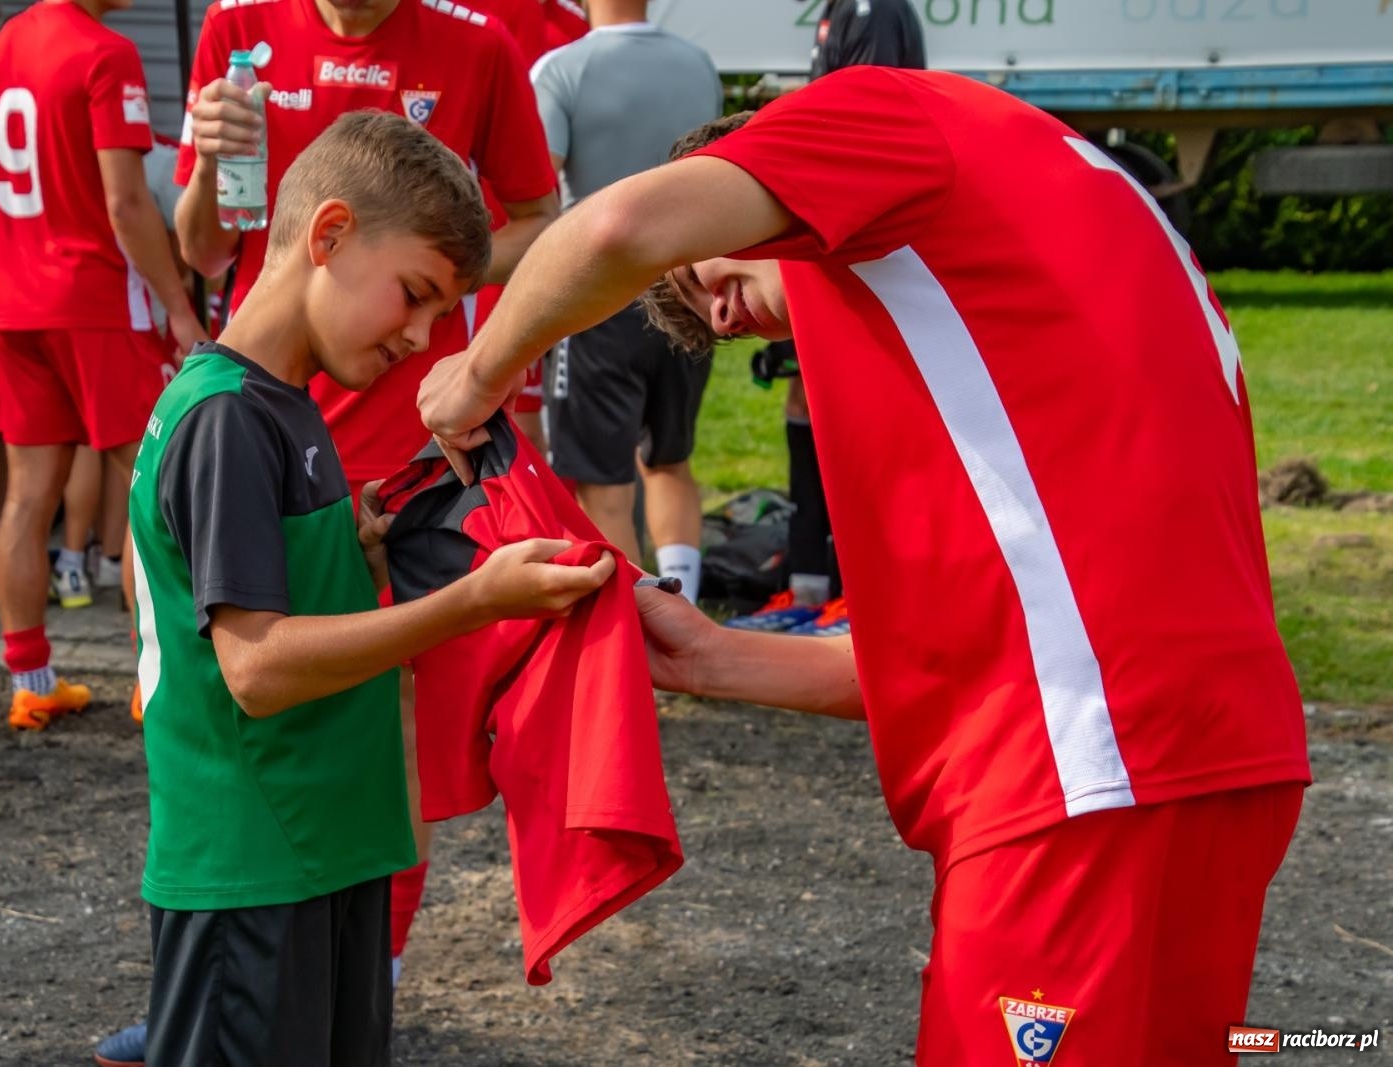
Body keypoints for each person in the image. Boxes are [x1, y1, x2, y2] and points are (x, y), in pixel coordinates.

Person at [419, 68, 1313, 1064]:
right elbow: (983, 651)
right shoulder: (1042, 237)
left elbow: (614, 227)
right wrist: (711, 655)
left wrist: (479, 372)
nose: (713, 315)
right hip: (1216, 747)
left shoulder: (879, 113)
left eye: (700, 280)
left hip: (1085, 776)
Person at [129, 110, 614, 1067]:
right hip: (253, 872)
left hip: (320, 854)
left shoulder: (282, 403)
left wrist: (366, 559)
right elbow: (256, 668)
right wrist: (470, 602)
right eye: (416, 296)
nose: (425, 336)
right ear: (331, 234)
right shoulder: (228, 418)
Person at [175, 0, 559, 995]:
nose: (429, 325)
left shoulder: (477, 45)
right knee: (224, 688)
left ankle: (363, 967)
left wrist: (438, 297)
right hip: (270, 406)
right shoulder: (238, 29)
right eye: (415, 299)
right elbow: (207, 247)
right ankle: (234, 974)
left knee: (390, 710)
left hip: (395, 439)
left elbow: (537, 215)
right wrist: (217, 166)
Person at [0, 0, 206, 729]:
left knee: (26, 493)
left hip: (15, 299)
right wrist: (177, 303)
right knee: (148, 492)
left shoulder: (1, 45)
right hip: (96, 301)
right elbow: (127, 201)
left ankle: (32, 681)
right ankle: (156, 682)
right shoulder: (105, 52)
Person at [730, 0, 928, 635]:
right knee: (802, 402)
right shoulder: (846, 8)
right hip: (825, 239)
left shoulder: (875, 10)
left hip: (858, 241)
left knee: (855, 414)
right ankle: (809, 584)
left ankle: (859, 590)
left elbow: (868, 131)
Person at [530, 0, 719, 600]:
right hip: (689, 289)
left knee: (603, 482)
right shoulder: (699, 64)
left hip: (598, 298)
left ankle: (641, 631)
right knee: (669, 461)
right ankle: (680, 604)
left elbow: (536, 194)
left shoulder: (560, 68)